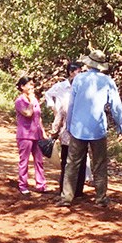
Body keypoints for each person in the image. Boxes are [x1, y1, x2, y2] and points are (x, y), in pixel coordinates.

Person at [56, 49, 122, 207]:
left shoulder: (79, 79)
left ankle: (66, 197)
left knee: (72, 163)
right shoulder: (108, 81)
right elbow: (116, 106)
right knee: (99, 164)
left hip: (78, 128)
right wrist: (120, 125)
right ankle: (100, 198)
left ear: (89, 62)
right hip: (97, 128)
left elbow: (71, 104)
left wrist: (68, 124)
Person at [50, 62, 86, 197]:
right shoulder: (85, 98)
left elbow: (60, 116)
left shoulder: (67, 99)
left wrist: (54, 131)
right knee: (81, 162)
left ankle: (65, 191)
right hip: (82, 135)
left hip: (68, 135)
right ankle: (78, 191)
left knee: (67, 163)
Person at [15, 76, 47, 195]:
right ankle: (23, 185)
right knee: (24, 161)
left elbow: (38, 116)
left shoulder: (35, 99)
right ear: (22, 87)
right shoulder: (20, 101)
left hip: (36, 134)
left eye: (32, 85)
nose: (32, 87)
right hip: (25, 134)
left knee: (39, 160)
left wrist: (43, 131)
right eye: (29, 85)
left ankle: (41, 184)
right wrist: (32, 101)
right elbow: (28, 113)